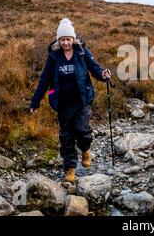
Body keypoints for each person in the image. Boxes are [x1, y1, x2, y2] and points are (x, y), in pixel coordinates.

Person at [29, 18, 111, 183]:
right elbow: (44, 79)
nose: (66, 42)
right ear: (58, 40)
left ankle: (85, 149)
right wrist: (35, 101)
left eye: (68, 39)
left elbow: (94, 67)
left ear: (73, 39)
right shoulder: (53, 56)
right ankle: (70, 169)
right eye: (62, 39)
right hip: (63, 102)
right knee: (66, 137)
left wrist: (102, 74)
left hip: (82, 99)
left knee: (82, 129)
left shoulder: (81, 51)